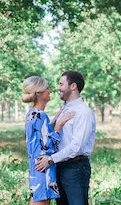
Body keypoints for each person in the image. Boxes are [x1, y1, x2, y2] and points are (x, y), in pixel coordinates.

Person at [35, 71, 97, 205]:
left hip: (75, 168)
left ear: (73, 86)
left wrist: (51, 159)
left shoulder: (82, 112)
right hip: (59, 166)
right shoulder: (63, 110)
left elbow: (76, 147)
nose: (58, 88)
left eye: (61, 84)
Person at [23, 76, 75, 205]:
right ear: (39, 93)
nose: (50, 90)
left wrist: (55, 120)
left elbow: (42, 134)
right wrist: (59, 126)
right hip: (43, 167)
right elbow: (48, 146)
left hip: (37, 166)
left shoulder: (33, 113)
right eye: (47, 88)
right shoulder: (40, 115)